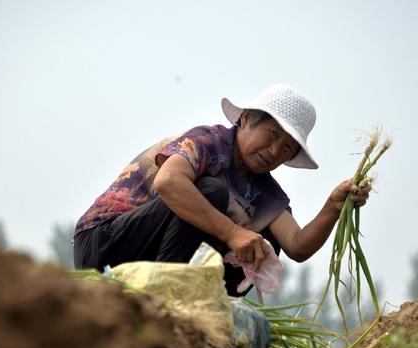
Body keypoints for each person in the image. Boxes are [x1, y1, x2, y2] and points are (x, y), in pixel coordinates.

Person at [73, 84, 371, 296]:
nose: (274, 151)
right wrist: (231, 233)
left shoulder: (264, 190)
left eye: (286, 148)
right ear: (245, 120)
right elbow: (168, 182)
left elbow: (297, 245)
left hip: (149, 257)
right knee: (211, 193)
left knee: (265, 240)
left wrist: (333, 206)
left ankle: (181, 296)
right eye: (272, 135)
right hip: (104, 245)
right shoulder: (208, 142)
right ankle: (164, 298)